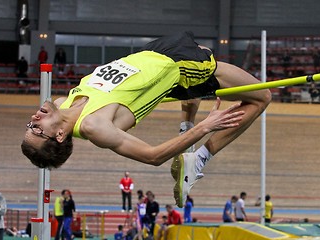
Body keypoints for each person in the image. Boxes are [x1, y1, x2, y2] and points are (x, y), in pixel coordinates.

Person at [21, 31, 271, 208]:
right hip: (176, 64)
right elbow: (153, 156)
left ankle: (187, 129)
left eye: (29, 125)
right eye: (37, 129)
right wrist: (206, 126)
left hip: (152, 53)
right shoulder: (93, 126)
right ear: (60, 135)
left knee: (202, 55)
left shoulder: (66, 104)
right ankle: (198, 160)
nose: (34, 119)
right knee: (262, 97)